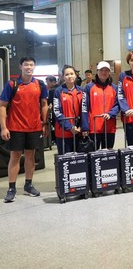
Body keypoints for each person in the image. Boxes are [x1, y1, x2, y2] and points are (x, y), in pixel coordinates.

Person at [0, 57, 48, 203]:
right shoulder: (12, 84)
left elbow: (44, 104)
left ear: (34, 66)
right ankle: (11, 188)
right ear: (20, 67)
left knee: (30, 156)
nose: (28, 67)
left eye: (31, 65)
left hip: (34, 127)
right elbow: (2, 105)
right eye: (26, 65)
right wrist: (3, 127)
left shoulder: (40, 84)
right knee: (15, 156)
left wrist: (45, 123)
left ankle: (28, 185)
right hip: (15, 127)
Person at [81, 61, 119, 150]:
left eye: (106, 70)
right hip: (93, 128)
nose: (104, 72)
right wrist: (85, 127)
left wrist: (110, 114)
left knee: (108, 155)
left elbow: (117, 105)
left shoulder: (114, 88)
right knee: (94, 156)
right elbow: (84, 107)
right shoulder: (88, 87)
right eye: (101, 70)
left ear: (109, 73)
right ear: (97, 72)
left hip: (109, 127)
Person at [53, 65, 83, 155]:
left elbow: (85, 110)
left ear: (76, 75)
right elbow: (57, 111)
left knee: (80, 162)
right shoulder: (58, 91)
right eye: (67, 74)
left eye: (71, 74)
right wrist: (69, 127)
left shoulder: (81, 90)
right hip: (63, 133)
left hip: (79, 132)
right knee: (66, 163)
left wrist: (82, 126)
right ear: (62, 77)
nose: (70, 76)